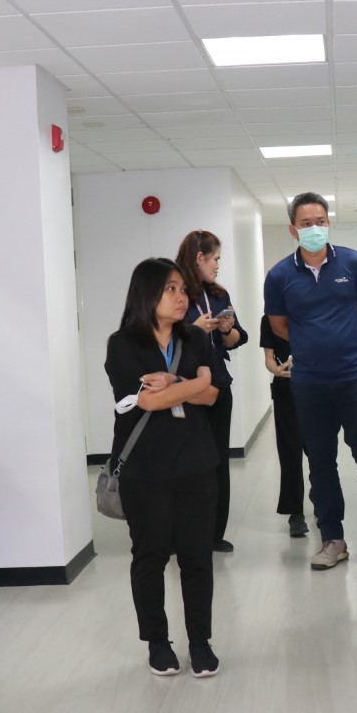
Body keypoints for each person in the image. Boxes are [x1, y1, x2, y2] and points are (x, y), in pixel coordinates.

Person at [263, 192, 357, 571]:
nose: (314, 229)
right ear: (293, 229)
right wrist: (314, 345)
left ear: (329, 223)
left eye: (320, 221)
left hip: (354, 377)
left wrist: (343, 345)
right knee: (321, 462)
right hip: (308, 383)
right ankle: (332, 539)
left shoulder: (354, 263)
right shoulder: (279, 276)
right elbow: (279, 326)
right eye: (306, 223)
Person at [104, 258, 222, 677]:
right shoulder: (123, 344)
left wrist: (175, 384)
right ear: (146, 293)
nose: (181, 296)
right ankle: (157, 642)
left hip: (196, 463)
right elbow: (149, 402)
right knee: (150, 556)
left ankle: (200, 642)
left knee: (197, 557)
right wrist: (194, 383)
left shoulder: (195, 338)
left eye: (182, 289)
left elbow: (213, 395)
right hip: (145, 469)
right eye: (170, 289)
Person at [177, 230, 245, 554]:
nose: (218, 265)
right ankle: (182, 533)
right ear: (199, 258)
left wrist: (227, 330)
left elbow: (237, 339)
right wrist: (194, 330)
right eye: (215, 258)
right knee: (185, 462)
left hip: (218, 387)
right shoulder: (175, 293)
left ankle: (215, 533)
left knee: (218, 461)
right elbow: (163, 338)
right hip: (184, 390)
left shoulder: (219, 294)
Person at [260, 314, 309, 538]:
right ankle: (295, 513)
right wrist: (276, 370)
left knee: (319, 449)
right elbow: (269, 358)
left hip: (315, 387)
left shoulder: (311, 314)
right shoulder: (269, 320)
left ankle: (322, 498)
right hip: (285, 390)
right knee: (290, 451)